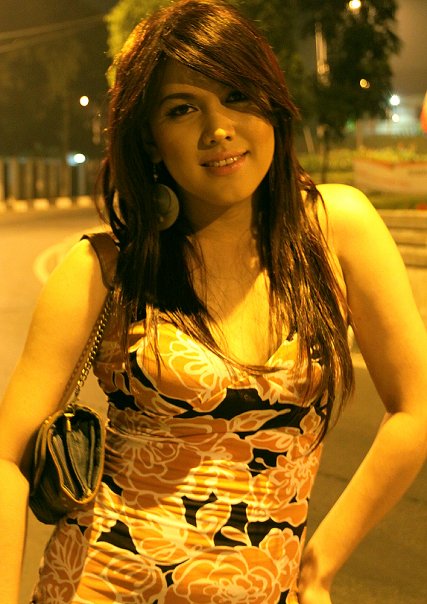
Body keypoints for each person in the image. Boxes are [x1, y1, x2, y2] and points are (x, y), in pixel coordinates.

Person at [0, 0, 426, 602]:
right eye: (182, 109)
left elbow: (416, 407)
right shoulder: (106, 270)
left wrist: (322, 562)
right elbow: (7, 459)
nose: (218, 126)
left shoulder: (337, 231)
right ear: (150, 141)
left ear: (271, 105)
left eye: (238, 96)